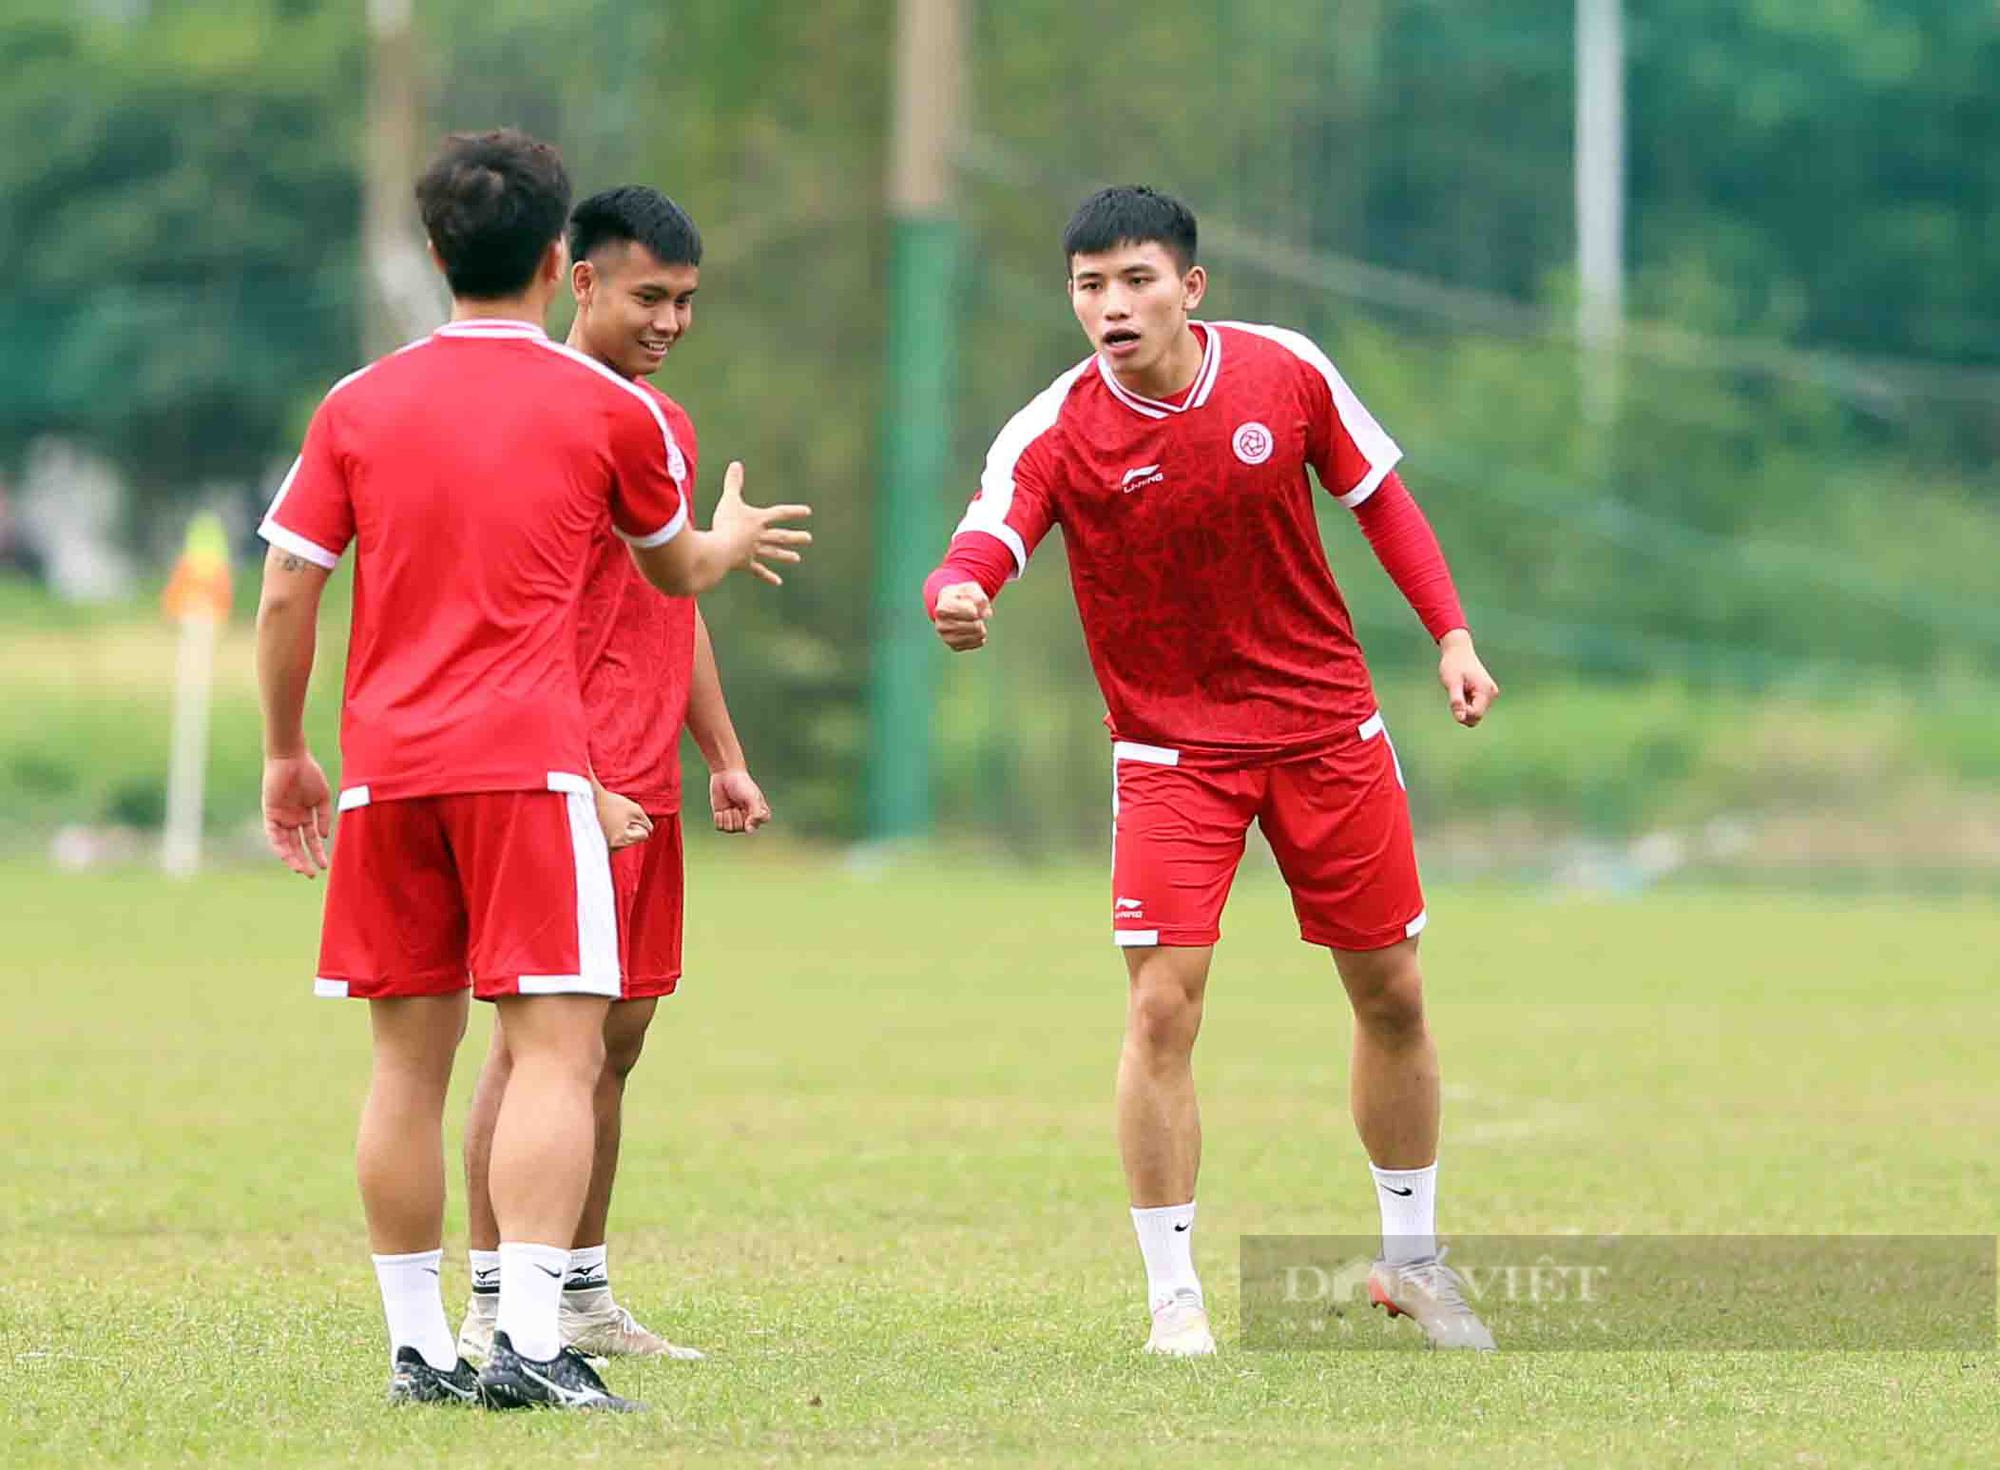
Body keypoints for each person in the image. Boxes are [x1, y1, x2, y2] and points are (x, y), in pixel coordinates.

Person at [254, 130, 809, 1411]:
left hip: (387, 772)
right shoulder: (608, 411)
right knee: (558, 1055)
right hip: (530, 770)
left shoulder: (356, 402)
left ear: (436, 252)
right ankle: (535, 1341)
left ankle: (419, 1350)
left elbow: (289, 588)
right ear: (560, 260)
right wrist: (723, 539)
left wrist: (289, 751)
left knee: (406, 1065)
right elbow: (674, 575)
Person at [922, 186, 1499, 1355]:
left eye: (1134, 280)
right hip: (1171, 753)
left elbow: (1379, 501)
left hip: (1326, 731)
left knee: (1390, 993)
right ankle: (1171, 1296)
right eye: (1088, 285)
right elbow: (990, 529)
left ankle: (1413, 1262)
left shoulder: (1282, 372)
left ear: (1189, 288)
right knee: (1159, 1007)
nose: (1110, 305)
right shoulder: (1054, 428)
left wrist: (1449, 634)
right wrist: (960, 588)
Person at [455, 186, 765, 1366]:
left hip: (649, 774)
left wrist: (723, 756)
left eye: (686, 300)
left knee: (617, 1041)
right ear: (577, 282)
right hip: (557, 773)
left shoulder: (665, 428)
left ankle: (579, 1291)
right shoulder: (529, 415)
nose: (671, 320)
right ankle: (494, 1295)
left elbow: (673, 592)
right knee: (538, 1046)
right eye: (649, 296)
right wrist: (565, 768)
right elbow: (501, 618)